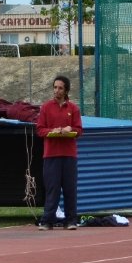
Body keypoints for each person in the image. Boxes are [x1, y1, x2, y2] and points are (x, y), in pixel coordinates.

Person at [36, 75, 83, 230]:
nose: (57, 90)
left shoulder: (73, 108)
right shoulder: (46, 107)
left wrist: (70, 129)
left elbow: (79, 130)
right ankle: (47, 221)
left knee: (70, 188)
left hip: (69, 155)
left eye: (60, 88)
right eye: (55, 87)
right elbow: (40, 130)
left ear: (66, 90)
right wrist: (52, 131)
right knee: (52, 188)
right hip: (51, 155)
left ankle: (70, 221)